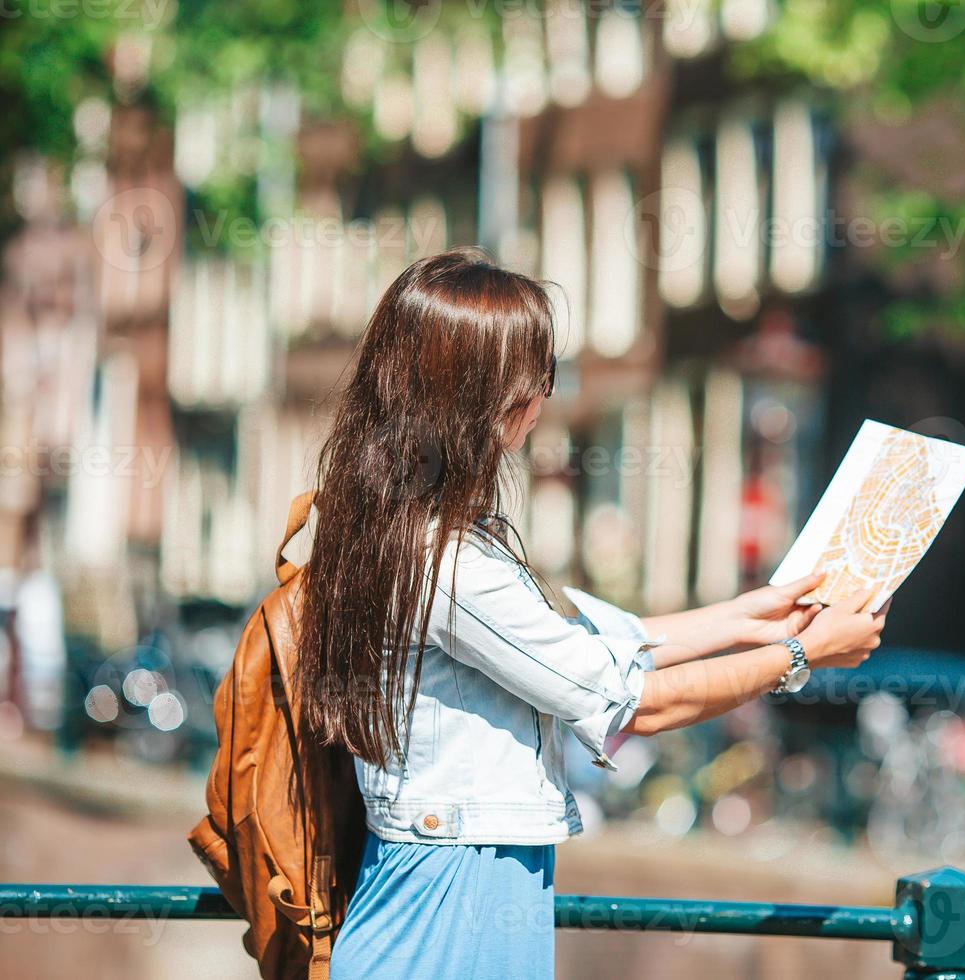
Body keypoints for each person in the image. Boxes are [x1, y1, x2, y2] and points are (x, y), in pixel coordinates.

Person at [297, 247, 886, 979]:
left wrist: (753, 616)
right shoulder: (446, 562)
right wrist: (801, 657)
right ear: (479, 394)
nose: (544, 398)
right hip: (453, 895)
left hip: (451, 878)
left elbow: (591, 643)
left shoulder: (401, 527)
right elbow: (627, 703)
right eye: (537, 376)